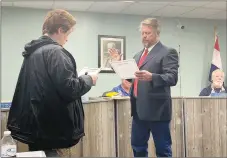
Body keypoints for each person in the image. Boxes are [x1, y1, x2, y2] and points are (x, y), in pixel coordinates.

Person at [7, 9, 98, 157]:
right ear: (60, 30)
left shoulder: (33, 53)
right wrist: (89, 79)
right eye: (68, 34)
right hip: (52, 129)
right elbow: (70, 89)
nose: (67, 39)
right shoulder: (56, 52)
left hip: (36, 126)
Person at [127, 18, 179, 157]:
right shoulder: (137, 55)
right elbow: (133, 78)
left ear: (157, 33)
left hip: (158, 111)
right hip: (138, 110)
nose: (144, 36)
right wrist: (119, 65)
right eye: (143, 33)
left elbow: (172, 78)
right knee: (138, 147)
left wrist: (153, 77)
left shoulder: (168, 52)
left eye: (148, 33)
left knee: (163, 150)